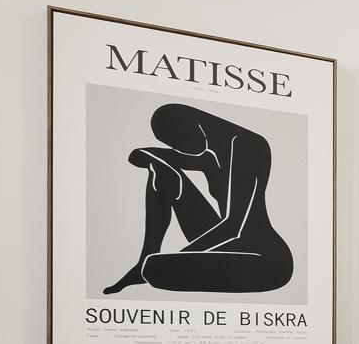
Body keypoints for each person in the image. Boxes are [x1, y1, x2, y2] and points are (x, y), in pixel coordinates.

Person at [102, 102, 292, 295]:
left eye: (178, 140)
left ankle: (149, 265)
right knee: (163, 170)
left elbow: (234, 227)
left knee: (156, 269)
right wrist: (149, 157)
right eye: (173, 144)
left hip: (265, 259)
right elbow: (150, 157)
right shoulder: (209, 155)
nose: (179, 148)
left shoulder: (248, 144)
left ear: (195, 124)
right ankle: (144, 259)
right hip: (227, 244)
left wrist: (182, 255)